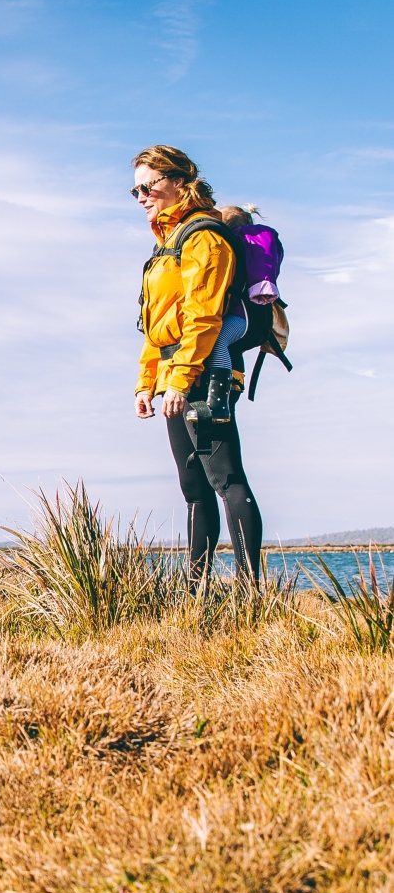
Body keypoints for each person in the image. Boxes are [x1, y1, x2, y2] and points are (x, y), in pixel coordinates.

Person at [131, 146, 263, 584]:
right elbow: (157, 327)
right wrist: (146, 383)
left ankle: (250, 592)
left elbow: (203, 317)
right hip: (174, 376)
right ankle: (197, 590)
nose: (142, 196)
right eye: (135, 190)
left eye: (148, 185)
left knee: (226, 480)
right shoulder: (165, 242)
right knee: (194, 490)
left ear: (180, 181)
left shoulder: (202, 236)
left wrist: (183, 380)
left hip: (203, 371)